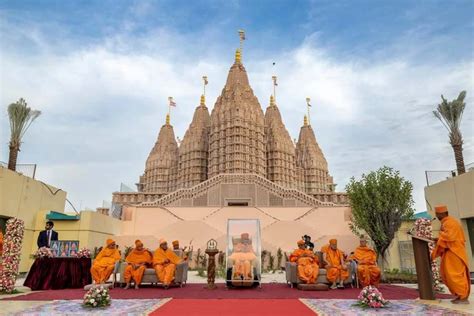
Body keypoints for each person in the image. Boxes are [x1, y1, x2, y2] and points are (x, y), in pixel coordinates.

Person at [432, 205, 470, 304]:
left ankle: (463, 297)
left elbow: (450, 237)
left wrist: (440, 238)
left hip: (455, 252)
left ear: (442, 213)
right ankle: (459, 295)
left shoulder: (450, 223)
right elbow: (447, 237)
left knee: (454, 275)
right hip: (450, 252)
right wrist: (438, 239)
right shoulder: (447, 223)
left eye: (437, 214)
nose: (436, 216)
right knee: (447, 274)